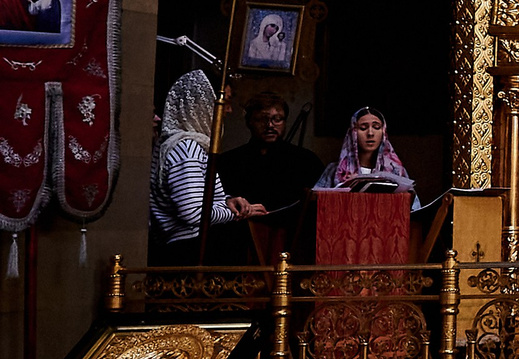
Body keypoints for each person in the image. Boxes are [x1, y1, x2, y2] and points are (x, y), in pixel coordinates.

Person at [149, 72, 241, 263]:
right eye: (226, 101)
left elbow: (199, 197)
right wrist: (233, 213)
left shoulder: (185, 144)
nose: (229, 110)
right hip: (188, 249)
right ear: (204, 104)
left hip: (190, 245)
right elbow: (193, 213)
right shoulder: (186, 147)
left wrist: (228, 202)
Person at [216, 91, 323, 219]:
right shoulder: (228, 162)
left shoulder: (307, 161)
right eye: (261, 119)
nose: (270, 125)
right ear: (249, 122)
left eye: (277, 119)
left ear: (284, 122)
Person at [314, 104, 414, 193]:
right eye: (363, 128)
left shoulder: (397, 171)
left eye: (376, 127)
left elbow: (413, 207)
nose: (370, 133)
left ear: (383, 132)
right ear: (353, 133)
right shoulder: (334, 171)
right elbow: (315, 203)